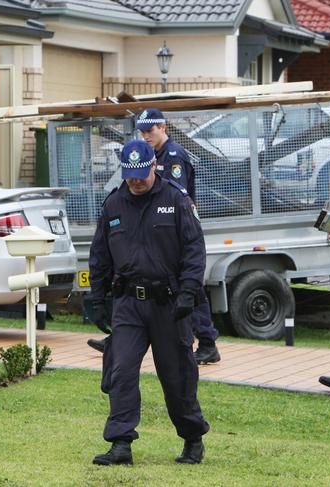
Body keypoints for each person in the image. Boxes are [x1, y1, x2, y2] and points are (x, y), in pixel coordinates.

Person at [89, 139, 209, 465]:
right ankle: (120, 444)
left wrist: (188, 292)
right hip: (129, 302)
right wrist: (97, 297)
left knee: (177, 376)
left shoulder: (175, 199)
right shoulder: (114, 204)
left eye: (141, 174)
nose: (136, 181)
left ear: (153, 166)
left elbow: (195, 251)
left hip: (170, 305)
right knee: (122, 370)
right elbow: (99, 254)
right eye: (130, 175)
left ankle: (192, 437)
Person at [87, 108, 221, 365]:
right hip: (154, 234)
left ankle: (206, 341)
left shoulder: (173, 156)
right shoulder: (152, 155)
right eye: (142, 131)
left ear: (164, 128)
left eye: (150, 130)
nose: (146, 135)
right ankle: (122, 337)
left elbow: (172, 196)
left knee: (189, 289)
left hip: (173, 231)